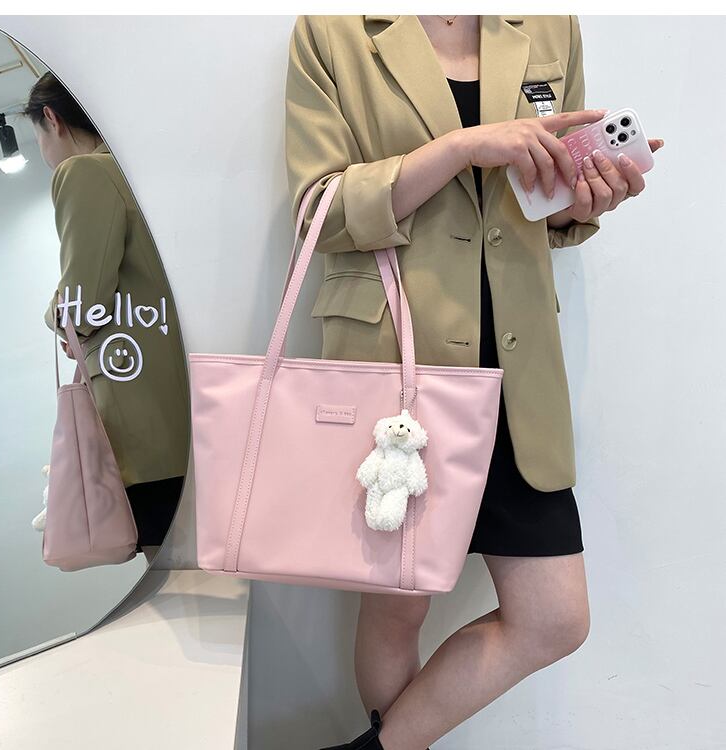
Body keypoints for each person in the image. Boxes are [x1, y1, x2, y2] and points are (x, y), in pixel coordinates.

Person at [284, 15, 664, 750]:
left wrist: (585, 200)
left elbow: (544, 204)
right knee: (401, 605)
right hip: (400, 369)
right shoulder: (332, 32)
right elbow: (319, 211)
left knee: (554, 617)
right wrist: (462, 147)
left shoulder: (550, 27)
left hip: (518, 374)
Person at [24, 72, 190, 565]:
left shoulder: (83, 172)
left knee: (169, 572)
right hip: (179, 398)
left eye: (37, 137)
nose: (43, 152)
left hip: (139, 408)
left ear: (52, 119)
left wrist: (55, 316)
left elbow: (82, 303)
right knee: (197, 568)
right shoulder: (139, 170)